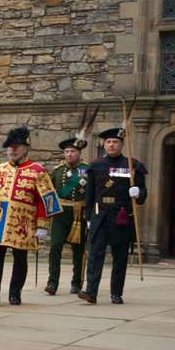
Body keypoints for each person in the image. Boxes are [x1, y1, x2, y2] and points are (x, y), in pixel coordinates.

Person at [0, 127, 60, 306]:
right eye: (10, 147)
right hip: (0, 220)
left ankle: (14, 293)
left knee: (20, 257)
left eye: (17, 146)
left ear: (26, 148)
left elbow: (46, 199)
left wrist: (43, 224)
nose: (13, 150)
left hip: (23, 221)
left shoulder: (37, 170)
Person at [81, 126, 148, 305]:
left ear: (122, 144)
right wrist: (88, 218)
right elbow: (90, 194)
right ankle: (91, 291)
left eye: (115, 142)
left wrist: (138, 193)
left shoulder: (133, 165)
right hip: (100, 214)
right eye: (109, 142)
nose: (112, 145)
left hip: (121, 215)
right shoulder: (95, 166)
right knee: (95, 254)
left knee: (120, 256)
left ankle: (116, 293)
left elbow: (143, 193)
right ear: (104, 144)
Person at [45, 139, 89, 296]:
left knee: (78, 250)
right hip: (60, 214)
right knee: (55, 246)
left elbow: (92, 194)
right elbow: (49, 192)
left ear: (79, 153)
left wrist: (90, 215)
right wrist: (48, 212)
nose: (69, 154)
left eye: (73, 152)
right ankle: (52, 283)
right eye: (67, 152)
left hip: (79, 214)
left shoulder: (87, 170)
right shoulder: (58, 171)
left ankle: (77, 282)